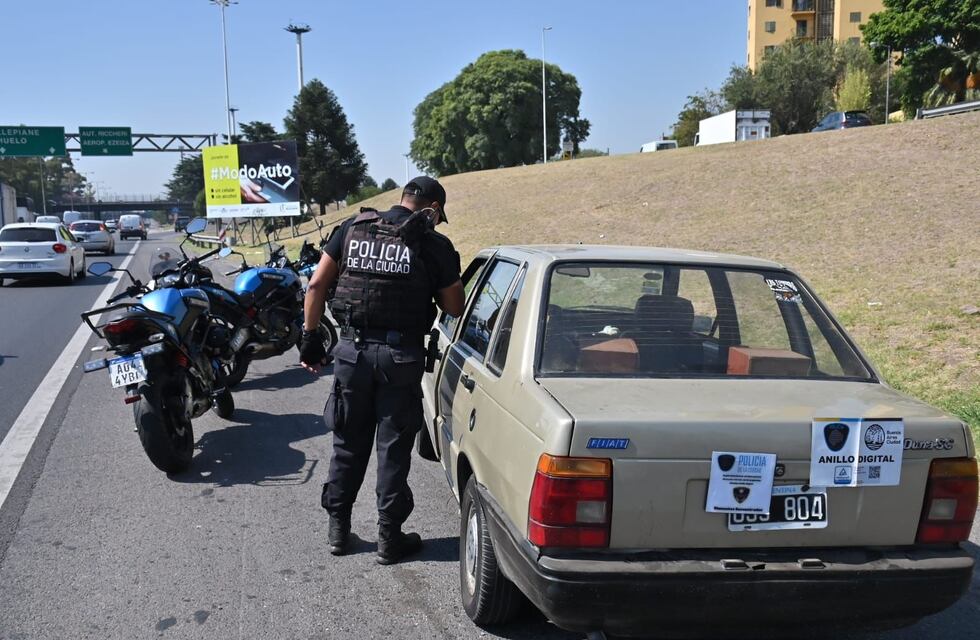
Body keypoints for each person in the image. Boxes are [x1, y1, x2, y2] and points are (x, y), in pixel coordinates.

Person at [300, 176, 464, 564]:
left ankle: (338, 530)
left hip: (351, 356)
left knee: (347, 445)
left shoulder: (353, 229)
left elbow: (316, 285)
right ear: (433, 209)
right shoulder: (434, 244)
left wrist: (310, 337)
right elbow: (455, 307)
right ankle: (389, 539)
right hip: (400, 360)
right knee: (393, 452)